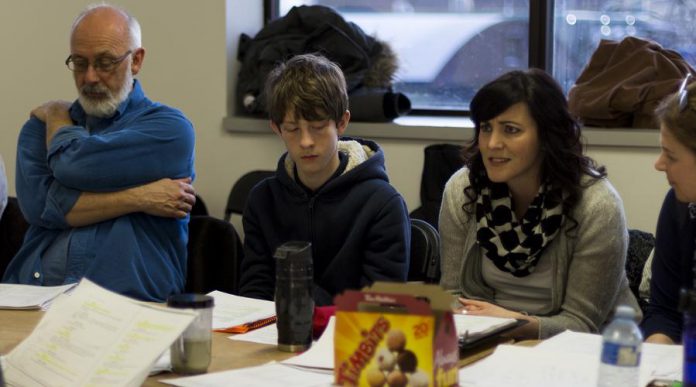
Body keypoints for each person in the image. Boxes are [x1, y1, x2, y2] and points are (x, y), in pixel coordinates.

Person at [2, 4, 196, 301]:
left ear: (136, 61)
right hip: (29, 293)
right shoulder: (38, 129)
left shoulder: (169, 129)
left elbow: (71, 166)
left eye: (105, 62)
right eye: (80, 63)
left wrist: (57, 119)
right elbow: (40, 208)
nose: (90, 77)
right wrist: (140, 197)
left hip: (124, 302)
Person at [439, 69, 639, 339]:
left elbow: (582, 325)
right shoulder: (462, 190)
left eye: (511, 130)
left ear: (547, 137)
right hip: (488, 340)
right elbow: (452, 297)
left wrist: (512, 321)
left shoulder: (597, 205)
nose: (492, 143)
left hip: (587, 351)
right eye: (486, 128)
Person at [238, 53, 410, 306]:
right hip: (275, 336)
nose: (306, 141)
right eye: (293, 129)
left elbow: (378, 306)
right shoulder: (263, 200)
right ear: (276, 129)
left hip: (348, 338)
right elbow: (255, 293)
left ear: (341, 123)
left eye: (318, 126)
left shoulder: (383, 204)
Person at [642, 74, 696, 344]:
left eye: (671, 155)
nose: (659, 164)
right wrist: (655, 354)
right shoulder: (679, 206)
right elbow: (664, 310)